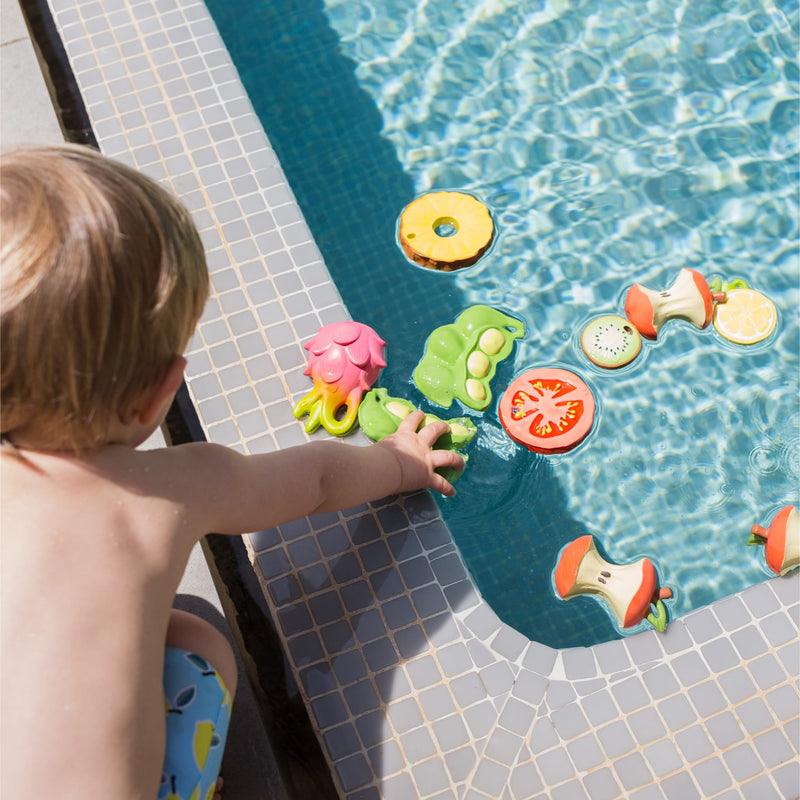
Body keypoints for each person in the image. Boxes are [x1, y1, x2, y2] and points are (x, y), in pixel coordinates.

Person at [0, 144, 464, 800]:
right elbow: (321, 480)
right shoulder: (170, 489)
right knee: (197, 637)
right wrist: (400, 462)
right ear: (160, 392)